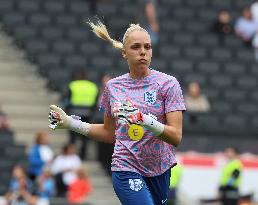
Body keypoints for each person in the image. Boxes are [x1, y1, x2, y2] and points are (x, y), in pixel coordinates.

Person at [48, 19, 186, 205]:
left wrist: (144, 120)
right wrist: (71, 123)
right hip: (125, 166)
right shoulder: (113, 87)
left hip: (160, 169)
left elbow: (175, 136)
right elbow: (109, 132)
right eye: (136, 47)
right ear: (124, 53)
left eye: (147, 47)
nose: (143, 52)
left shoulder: (168, 84)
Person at [63, 69, 99, 160]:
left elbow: (67, 100)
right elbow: (96, 103)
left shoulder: (73, 85)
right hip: (88, 114)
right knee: (85, 137)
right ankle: (82, 156)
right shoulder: (93, 86)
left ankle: (70, 154)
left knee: (73, 137)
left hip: (74, 113)